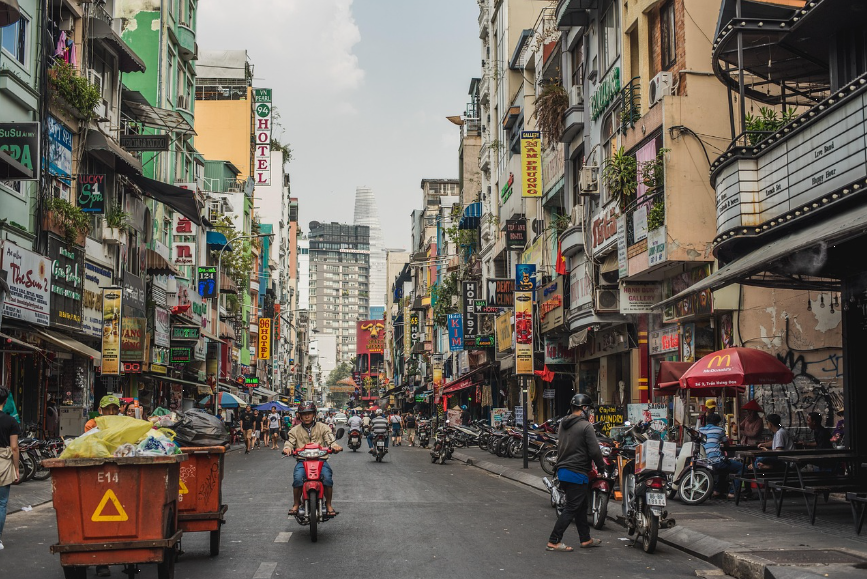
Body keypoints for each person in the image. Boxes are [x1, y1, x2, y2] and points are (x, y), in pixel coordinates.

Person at [546, 393, 605, 552]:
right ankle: (554, 540)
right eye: (589, 409)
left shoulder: (562, 424)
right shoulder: (586, 426)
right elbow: (595, 451)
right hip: (577, 472)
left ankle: (585, 539)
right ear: (584, 408)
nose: (590, 413)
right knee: (572, 507)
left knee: (580, 506)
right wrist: (602, 469)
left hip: (563, 472)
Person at [282, 401, 342, 516]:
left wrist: (335, 446)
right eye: (304, 414)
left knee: (328, 479)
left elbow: (331, 440)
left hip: (320, 460)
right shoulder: (294, 430)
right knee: (298, 479)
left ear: (314, 414)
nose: (307, 416)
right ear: (300, 415)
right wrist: (287, 448)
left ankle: (328, 504)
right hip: (302, 461)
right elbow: (289, 442)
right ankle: (296, 503)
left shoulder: (323, 427)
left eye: (309, 413)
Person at [700, 413, 744, 499]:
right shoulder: (719, 430)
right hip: (716, 461)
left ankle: (717, 491)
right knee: (742, 468)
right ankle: (732, 492)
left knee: (723, 467)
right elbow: (726, 444)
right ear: (717, 423)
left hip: (705, 461)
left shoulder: (700, 430)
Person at [0, 387, 21, 551]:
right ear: (5, 401)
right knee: (1, 503)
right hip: (3, 463)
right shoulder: (10, 421)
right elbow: (14, 448)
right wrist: (16, 468)